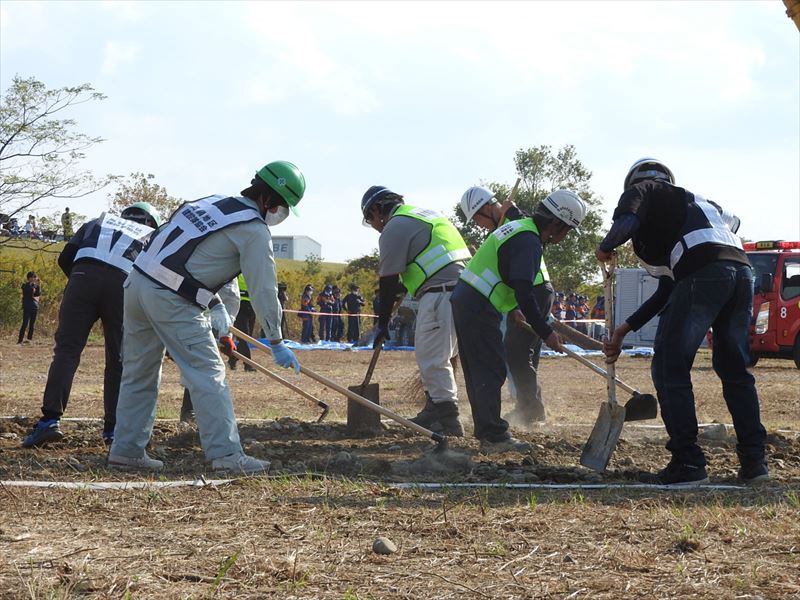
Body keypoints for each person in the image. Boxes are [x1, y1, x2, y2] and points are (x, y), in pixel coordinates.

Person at [108, 160, 305, 473]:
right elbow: (263, 288)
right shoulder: (253, 229)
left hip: (137, 284)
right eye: (281, 206)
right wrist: (276, 339)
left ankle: (127, 450)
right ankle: (227, 455)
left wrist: (213, 302)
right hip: (171, 297)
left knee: (139, 372)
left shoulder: (210, 203)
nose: (279, 214)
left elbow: (183, 254)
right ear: (269, 200)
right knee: (207, 373)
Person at [597, 157, 767, 485]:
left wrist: (605, 247)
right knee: (735, 371)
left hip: (704, 271)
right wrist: (623, 329)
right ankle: (754, 462)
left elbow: (627, 222)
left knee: (668, 367)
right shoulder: (700, 206)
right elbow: (668, 290)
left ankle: (688, 463)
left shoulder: (644, 189)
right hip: (741, 272)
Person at [451, 190, 585, 451]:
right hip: (477, 304)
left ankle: (487, 432)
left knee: (481, 368)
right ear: (556, 223)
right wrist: (545, 332)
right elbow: (524, 291)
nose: (565, 236)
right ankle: (494, 437)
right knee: (490, 368)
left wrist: (512, 310)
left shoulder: (520, 230)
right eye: (567, 230)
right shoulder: (529, 240)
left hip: (470, 301)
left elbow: (507, 278)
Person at [21, 204, 161, 447]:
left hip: (82, 276)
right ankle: (113, 430)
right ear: (151, 222)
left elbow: (65, 258)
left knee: (66, 351)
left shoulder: (98, 221)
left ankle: (49, 421)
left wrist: (80, 284)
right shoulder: (152, 236)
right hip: (123, 283)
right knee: (118, 359)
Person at [362, 185, 471, 436]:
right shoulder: (425, 216)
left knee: (432, 359)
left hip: (439, 295)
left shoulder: (393, 228)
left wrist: (382, 323)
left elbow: (387, 280)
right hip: (463, 292)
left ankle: (449, 423)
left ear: (378, 209)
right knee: (439, 355)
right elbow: (432, 262)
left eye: (371, 219)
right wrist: (404, 286)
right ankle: (433, 412)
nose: (374, 225)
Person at [458, 185, 555, 425]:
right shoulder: (503, 227)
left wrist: (513, 212)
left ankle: (531, 409)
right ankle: (529, 406)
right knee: (519, 353)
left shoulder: (515, 222)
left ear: (487, 208)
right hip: (525, 293)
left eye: (478, 219)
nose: (480, 225)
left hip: (535, 289)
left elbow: (528, 238)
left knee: (519, 353)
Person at [227, 274, 257, 372]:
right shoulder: (236, 272)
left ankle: (232, 359)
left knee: (246, 339)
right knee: (244, 338)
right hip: (240, 307)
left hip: (252, 306)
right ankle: (248, 365)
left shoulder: (253, 272)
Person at [18, 271, 41, 344]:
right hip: (27, 306)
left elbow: (38, 294)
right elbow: (27, 291)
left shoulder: (36, 286)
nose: (34, 278)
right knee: (25, 324)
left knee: (32, 325)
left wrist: (38, 286)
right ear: (29, 278)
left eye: (35, 277)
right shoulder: (24, 285)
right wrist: (32, 285)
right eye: (32, 277)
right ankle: (20, 340)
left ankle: (29, 340)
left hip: (34, 307)